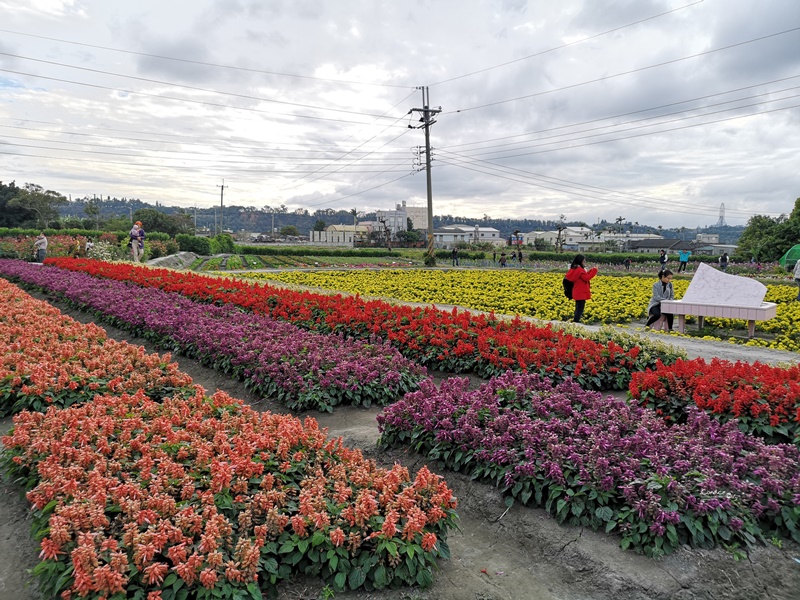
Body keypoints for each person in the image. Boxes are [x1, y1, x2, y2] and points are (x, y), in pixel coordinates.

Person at [564, 254, 598, 323]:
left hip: (577, 291)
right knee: (580, 308)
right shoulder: (579, 269)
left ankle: (576, 320)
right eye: (583, 261)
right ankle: (576, 321)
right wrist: (594, 270)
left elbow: (584, 275)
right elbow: (586, 278)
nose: (584, 262)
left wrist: (591, 270)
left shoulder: (575, 268)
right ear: (580, 261)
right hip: (580, 292)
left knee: (578, 308)